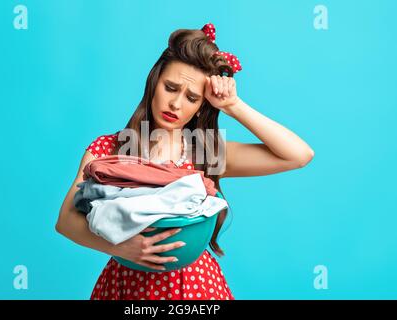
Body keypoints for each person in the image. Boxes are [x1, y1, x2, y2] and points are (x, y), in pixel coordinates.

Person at [55, 23, 315, 300]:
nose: (176, 104)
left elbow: (298, 155)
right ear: (154, 83)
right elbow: (66, 221)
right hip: (125, 286)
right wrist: (121, 248)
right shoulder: (109, 148)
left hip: (195, 289)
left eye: (192, 97)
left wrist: (233, 106)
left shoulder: (207, 153)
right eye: (171, 88)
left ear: (202, 105)